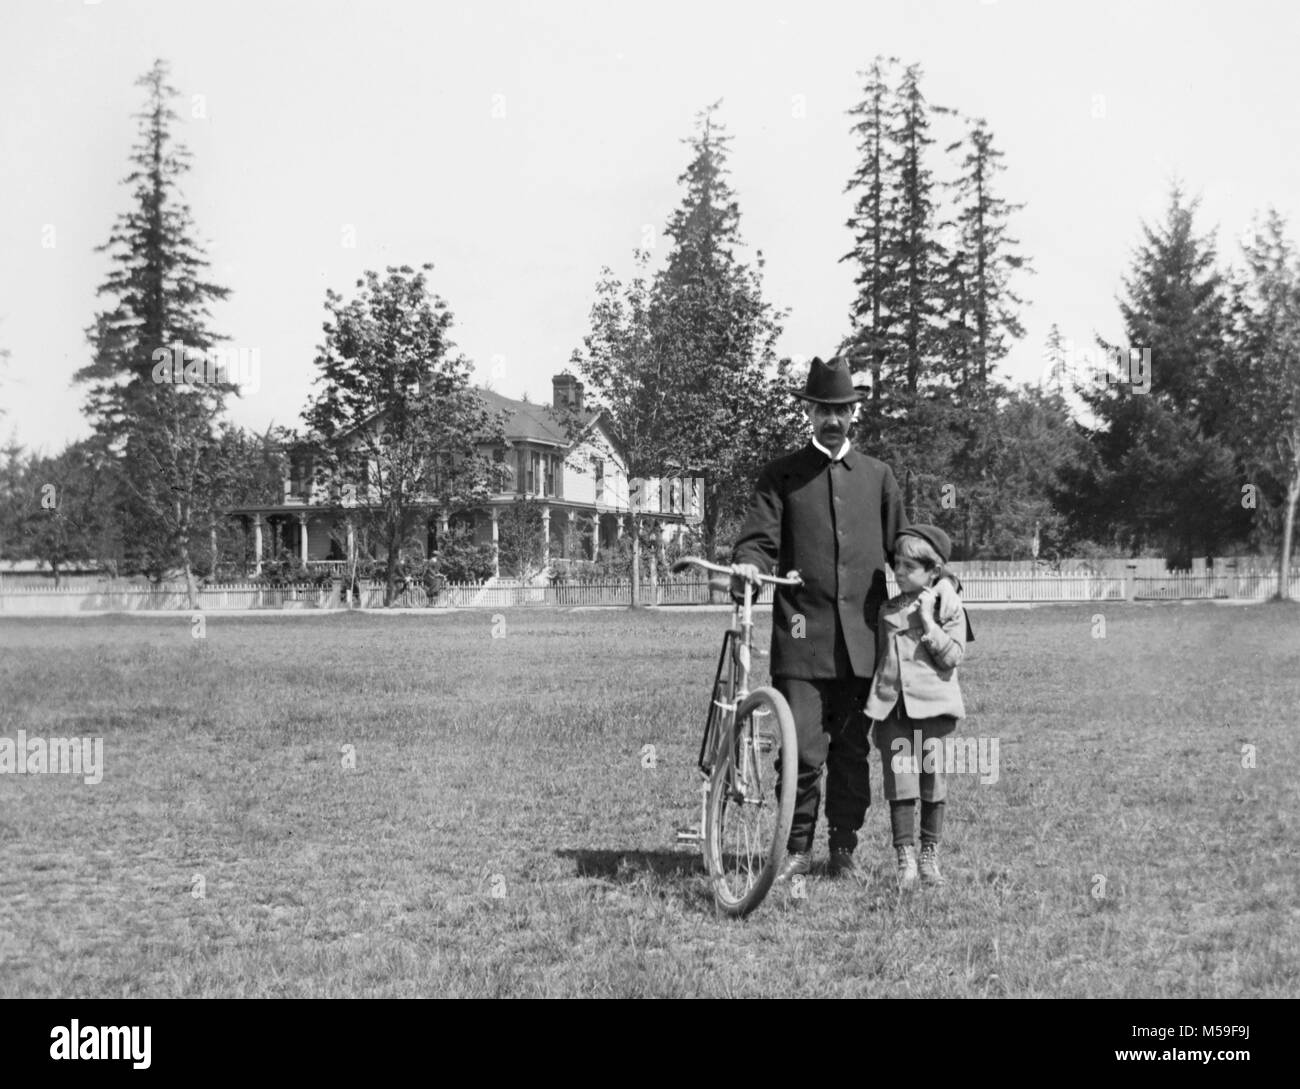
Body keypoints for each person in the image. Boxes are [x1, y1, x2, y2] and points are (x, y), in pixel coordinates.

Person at [730, 356, 965, 881]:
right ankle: (793, 850)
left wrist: (943, 579)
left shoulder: (878, 477)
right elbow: (759, 540)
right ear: (809, 412)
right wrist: (749, 562)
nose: (832, 419)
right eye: (823, 409)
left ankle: (843, 848)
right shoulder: (782, 475)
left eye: (841, 409)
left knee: (853, 751)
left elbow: (909, 549)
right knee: (803, 751)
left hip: (864, 644)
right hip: (801, 639)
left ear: (853, 412)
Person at [864, 525, 967, 890]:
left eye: (910, 566)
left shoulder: (946, 606)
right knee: (900, 786)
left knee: (933, 783)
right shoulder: (886, 610)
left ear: (932, 571)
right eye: (897, 565)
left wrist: (927, 622)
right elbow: (879, 659)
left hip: (934, 710)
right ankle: (904, 857)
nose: (900, 573)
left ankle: (929, 854)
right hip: (894, 712)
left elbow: (953, 656)